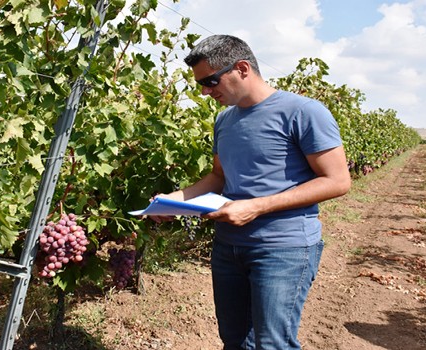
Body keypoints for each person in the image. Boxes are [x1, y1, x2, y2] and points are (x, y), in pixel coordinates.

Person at [150, 35, 351, 349]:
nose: (205, 91)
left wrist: (256, 206)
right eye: (199, 84)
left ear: (242, 68)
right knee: (234, 341)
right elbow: (218, 177)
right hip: (228, 248)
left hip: (283, 249)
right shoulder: (224, 120)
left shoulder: (303, 112)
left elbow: (338, 181)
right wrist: (175, 200)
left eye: (210, 81)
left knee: (272, 343)